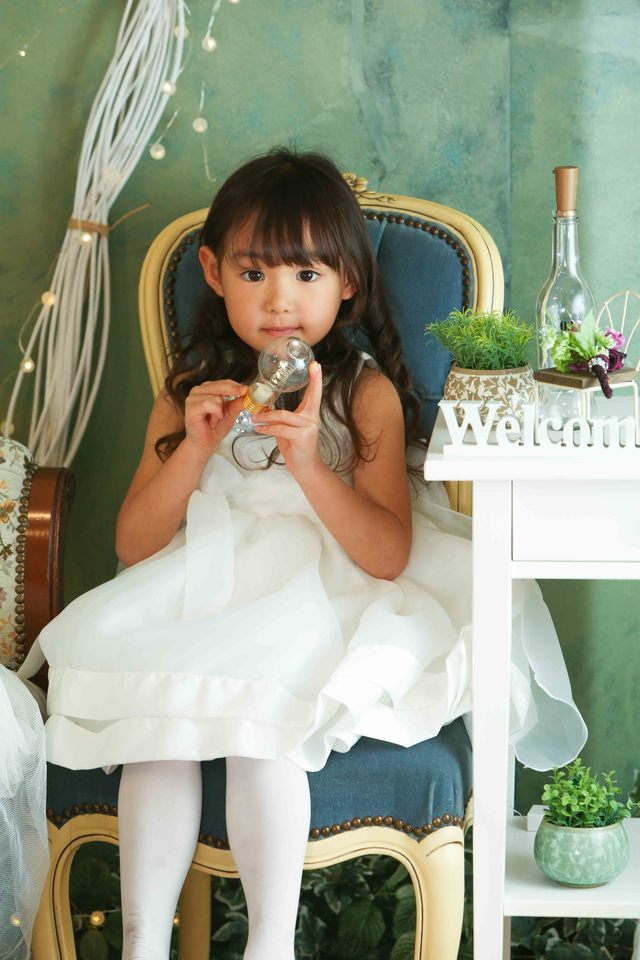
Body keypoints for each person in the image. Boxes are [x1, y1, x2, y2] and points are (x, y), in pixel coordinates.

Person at [18, 148, 587, 960]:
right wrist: (193, 447)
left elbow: (386, 553)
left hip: (323, 592)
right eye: (253, 274)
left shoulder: (364, 394)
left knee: (266, 731)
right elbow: (135, 544)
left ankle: (270, 944)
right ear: (213, 273)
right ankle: (143, 944)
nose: (279, 300)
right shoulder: (190, 393)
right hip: (203, 587)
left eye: (306, 275)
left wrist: (310, 463)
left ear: (346, 282)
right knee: (156, 731)